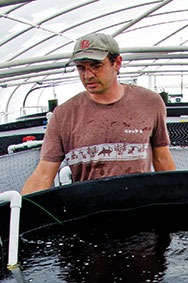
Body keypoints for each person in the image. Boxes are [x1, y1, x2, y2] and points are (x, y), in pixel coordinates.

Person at [20, 32, 176, 194]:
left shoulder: (149, 102)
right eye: (81, 68)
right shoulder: (63, 115)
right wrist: (18, 212)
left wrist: (178, 198)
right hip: (91, 211)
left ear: (117, 63)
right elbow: (44, 174)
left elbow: (161, 158)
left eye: (96, 66)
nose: (88, 75)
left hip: (139, 208)